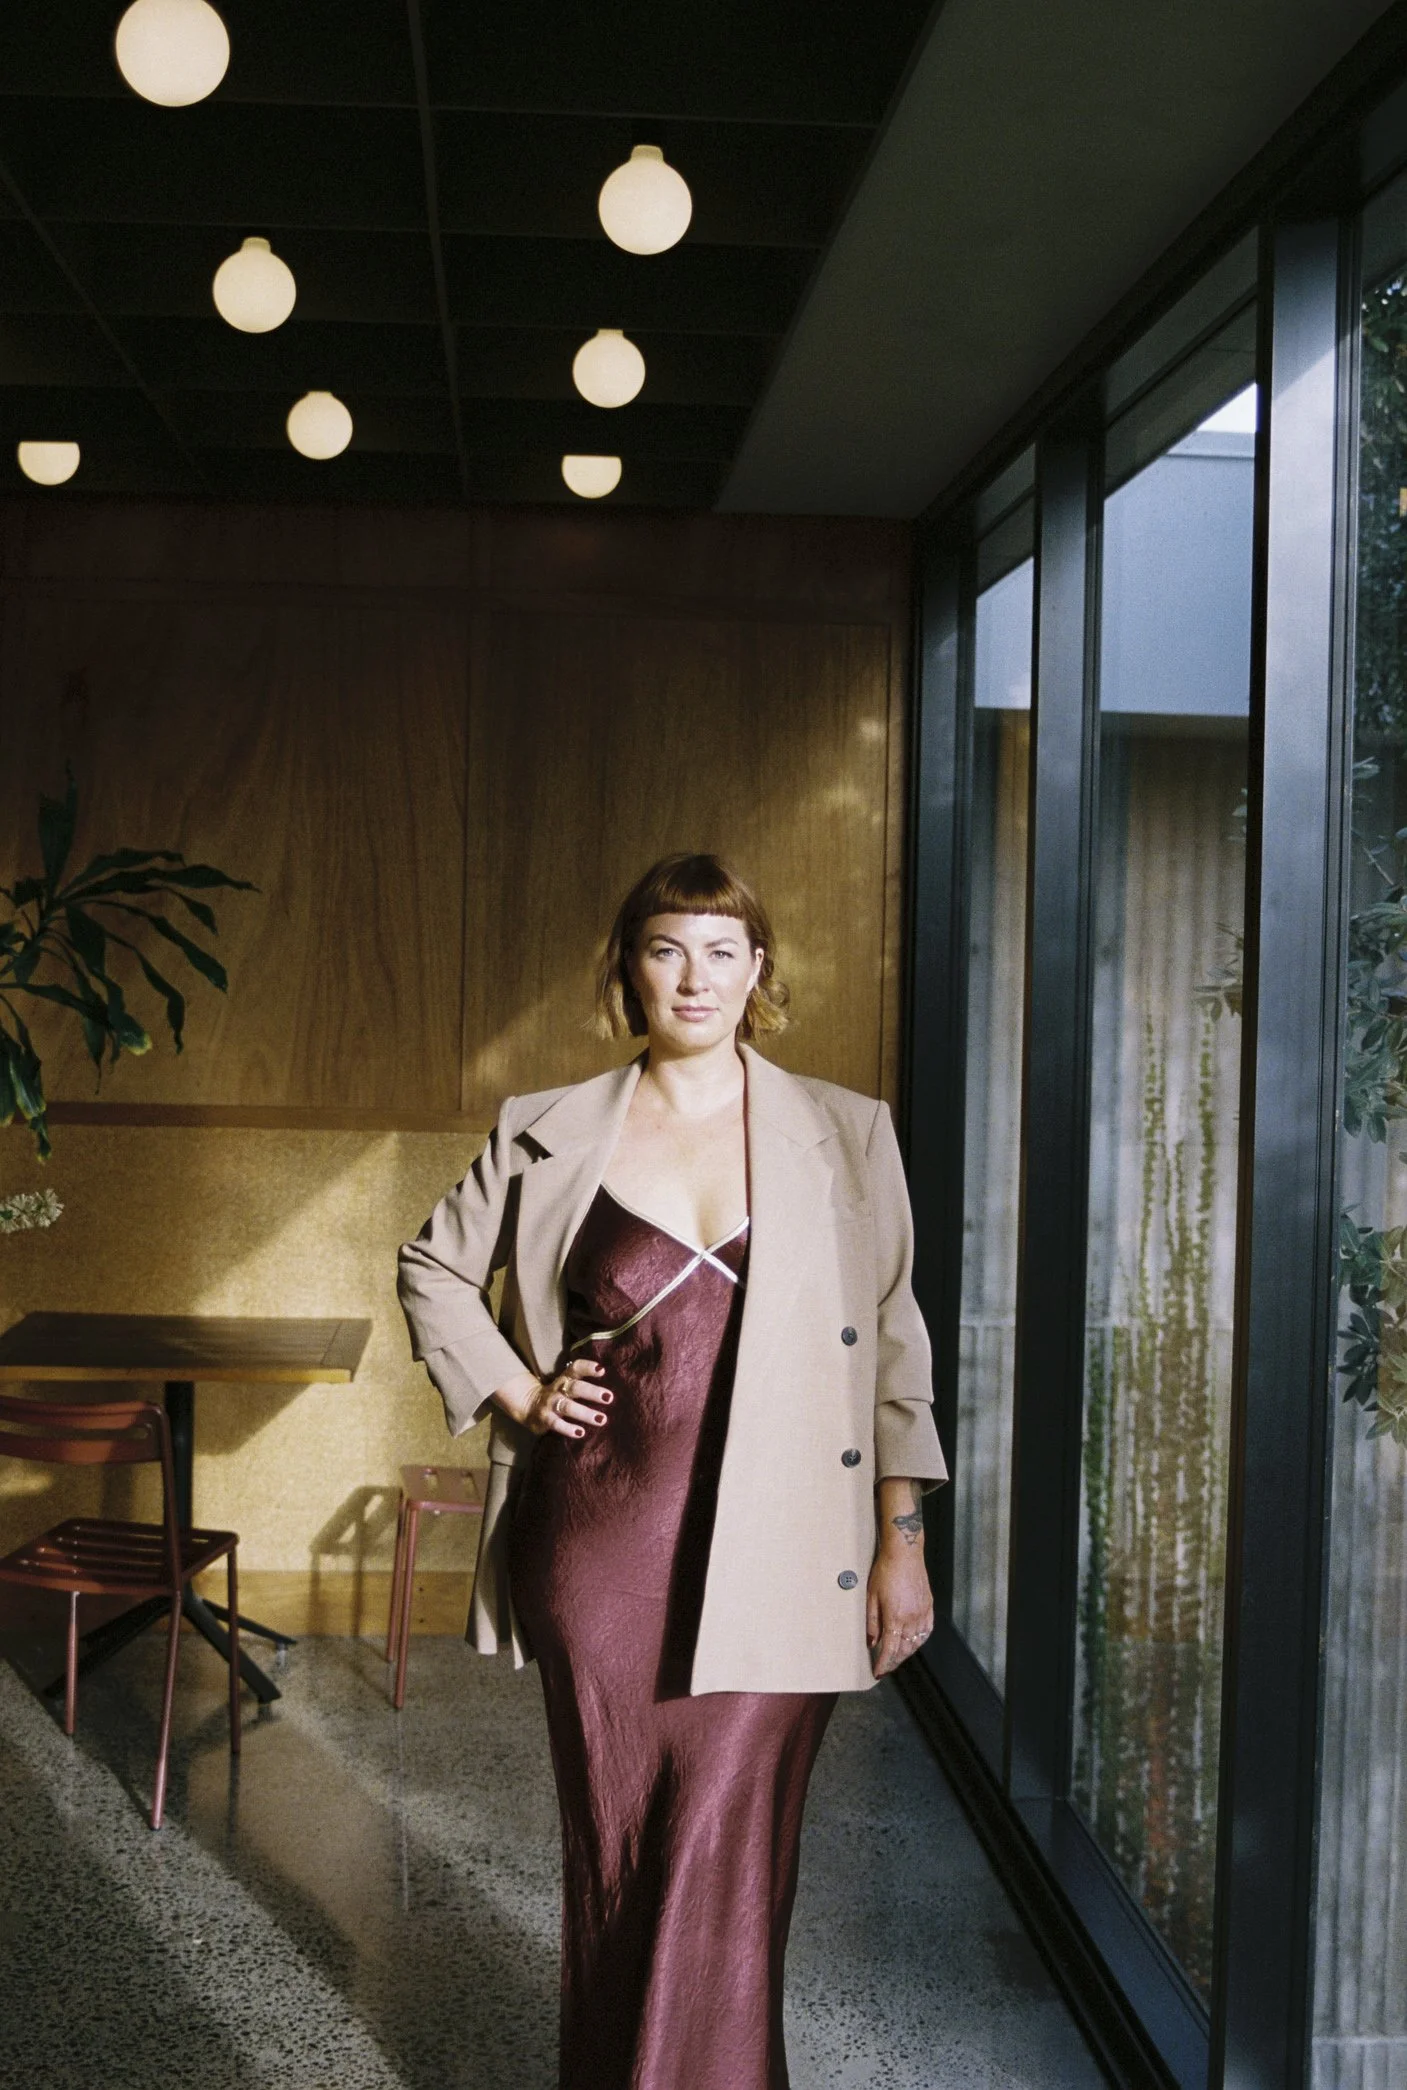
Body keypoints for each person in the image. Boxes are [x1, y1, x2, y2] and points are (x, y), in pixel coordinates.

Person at [397, 852, 947, 2090]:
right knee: (620, 1851)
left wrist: (902, 1536)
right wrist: (521, 1389)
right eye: (666, 949)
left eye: (720, 951)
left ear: (759, 972)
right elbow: (433, 1266)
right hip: (602, 1548)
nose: (694, 976)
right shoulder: (546, 1126)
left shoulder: (848, 1131)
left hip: (792, 1551)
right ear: (629, 970)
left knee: (725, 1850)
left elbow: (892, 1340)